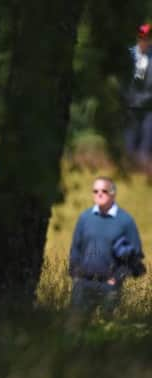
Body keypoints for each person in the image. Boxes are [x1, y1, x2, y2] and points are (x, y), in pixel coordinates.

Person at [68, 177, 145, 316]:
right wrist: (76, 275)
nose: (99, 194)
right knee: (74, 326)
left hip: (109, 286)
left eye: (104, 190)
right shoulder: (85, 218)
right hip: (83, 283)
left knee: (107, 327)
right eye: (95, 191)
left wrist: (117, 278)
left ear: (113, 193)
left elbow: (136, 254)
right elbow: (75, 249)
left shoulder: (125, 220)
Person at [123, 23, 152, 169]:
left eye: (147, 38)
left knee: (147, 138)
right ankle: (128, 167)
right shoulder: (130, 55)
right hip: (131, 104)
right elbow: (123, 79)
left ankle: (144, 169)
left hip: (149, 106)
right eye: (141, 38)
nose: (144, 41)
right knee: (130, 136)